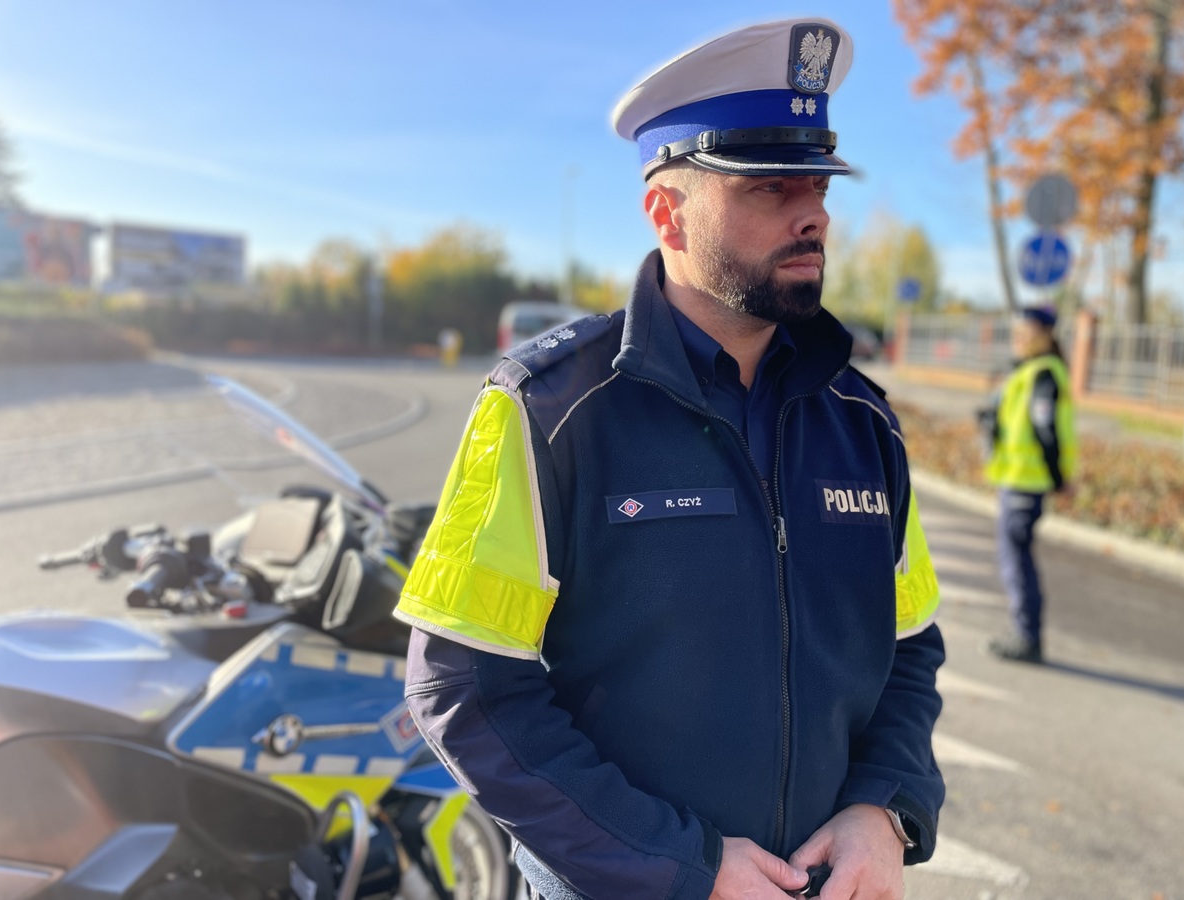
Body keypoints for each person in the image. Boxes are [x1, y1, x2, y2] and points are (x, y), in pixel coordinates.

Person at [395, 18, 945, 899]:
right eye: (769, 187)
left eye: (817, 184)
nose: (813, 214)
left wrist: (886, 807)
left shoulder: (864, 423)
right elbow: (465, 686)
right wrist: (679, 865)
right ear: (666, 214)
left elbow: (909, 649)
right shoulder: (546, 409)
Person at [982, 306, 1076, 664]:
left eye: (1026, 332)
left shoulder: (1043, 373)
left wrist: (1059, 480)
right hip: (1018, 481)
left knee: (1017, 562)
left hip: (1026, 483)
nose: (1018, 339)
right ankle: (1025, 633)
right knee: (1015, 559)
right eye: (1016, 332)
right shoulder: (1028, 370)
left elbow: (1045, 429)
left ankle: (1027, 637)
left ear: (1046, 336)